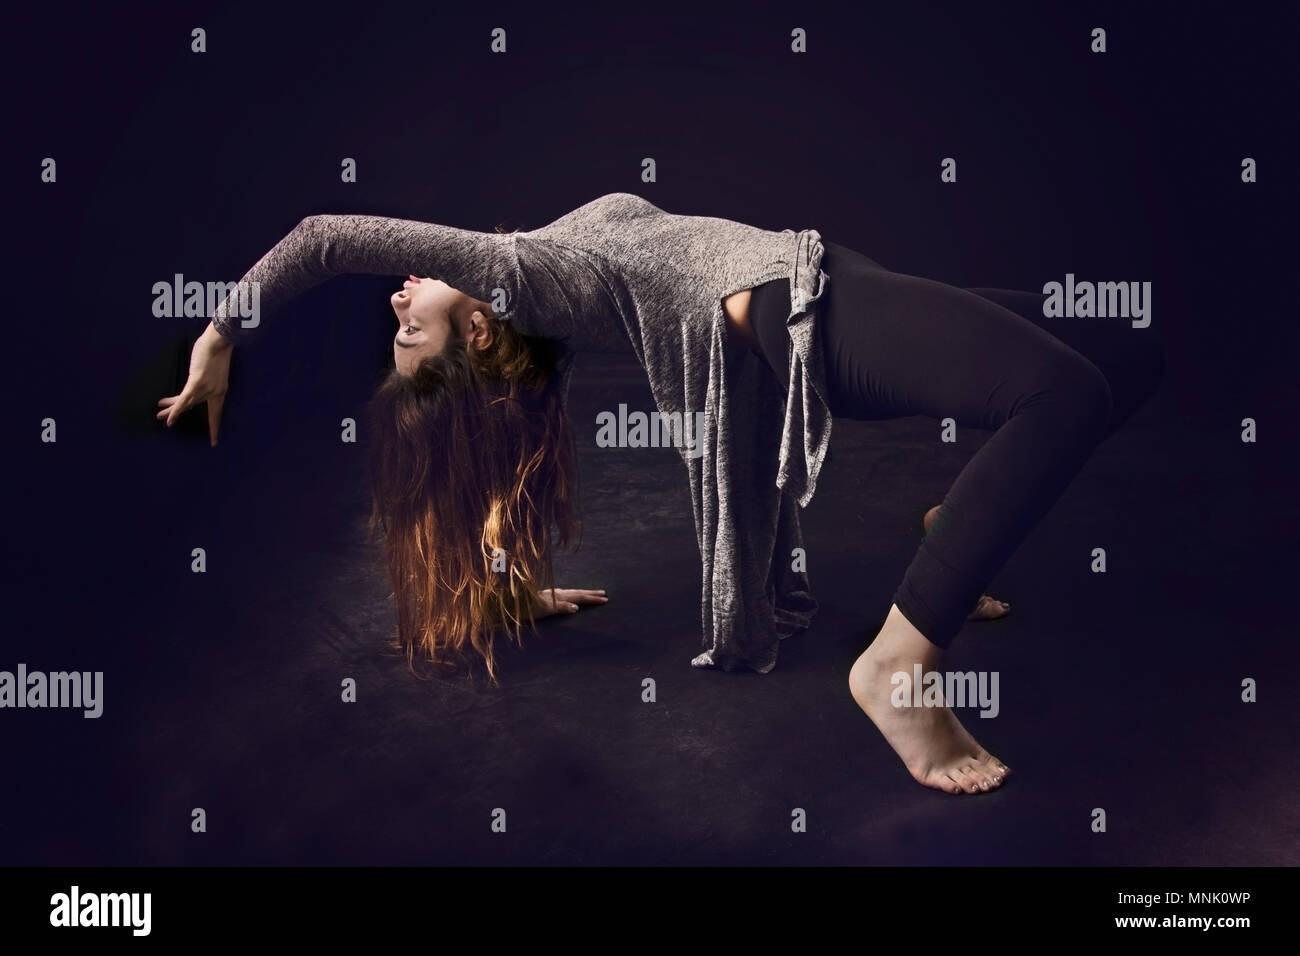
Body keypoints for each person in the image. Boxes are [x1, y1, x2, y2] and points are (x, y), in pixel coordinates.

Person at [158, 193, 1163, 795]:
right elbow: (324, 233)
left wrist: (507, 582)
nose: (397, 298)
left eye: (398, 320)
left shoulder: (540, 274)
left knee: (1117, 352)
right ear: (472, 329)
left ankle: (962, 527)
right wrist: (217, 336)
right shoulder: (505, 269)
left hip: (809, 270)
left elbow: (495, 467)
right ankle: (899, 662)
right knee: (1062, 391)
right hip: (792, 305)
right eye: (406, 325)